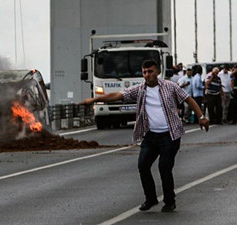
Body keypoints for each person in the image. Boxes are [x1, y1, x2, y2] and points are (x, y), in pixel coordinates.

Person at [79, 60, 209, 212]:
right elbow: (117, 95)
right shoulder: (140, 89)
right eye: (145, 72)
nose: (147, 75)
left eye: (150, 71)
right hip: (151, 135)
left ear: (157, 72)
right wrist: (95, 99)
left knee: (164, 168)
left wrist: (201, 117)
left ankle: (169, 201)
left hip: (170, 134)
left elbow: (188, 99)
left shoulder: (170, 86)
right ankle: (151, 199)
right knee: (143, 165)